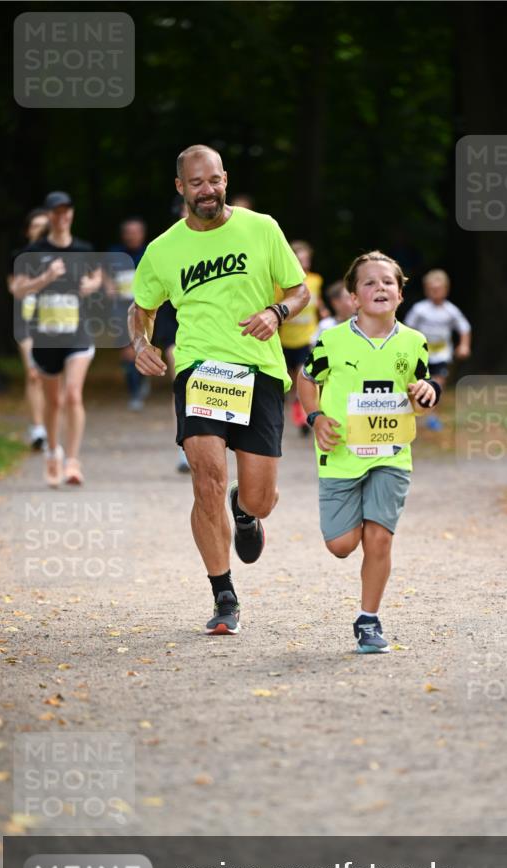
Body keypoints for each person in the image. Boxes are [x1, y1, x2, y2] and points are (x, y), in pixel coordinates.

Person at [129, 144, 309, 635]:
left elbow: (299, 290)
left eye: (214, 181)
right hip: (200, 370)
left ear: (224, 179)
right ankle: (223, 593)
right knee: (204, 477)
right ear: (180, 187)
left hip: (261, 372)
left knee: (261, 497)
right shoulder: (164, 249)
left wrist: (277, 313)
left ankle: (246, 515)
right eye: (196, 183)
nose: (206, 191)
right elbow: (141, 306)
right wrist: (139, 340)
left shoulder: (261, 227)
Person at [298, 251, 441, 653]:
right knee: (342, 545)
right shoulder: (332, 340)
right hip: (341, 454)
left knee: (378, 539)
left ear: (400, 294)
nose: (380, 287)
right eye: (369, 282)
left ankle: (369, 620)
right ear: (353, 297)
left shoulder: (414, 342)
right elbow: (306, 379)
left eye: (388, 282)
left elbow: (422, 388)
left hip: (391, 455)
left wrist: (428, 393)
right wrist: (315, 417)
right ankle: (355, 516)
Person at [10, 191, 101, 487]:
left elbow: (98, 279)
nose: (62, 217)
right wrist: (46, 278)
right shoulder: (33, 252)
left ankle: (72, 461)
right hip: (46, 336)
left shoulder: (85, 249)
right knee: (53, 402)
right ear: (49, 215)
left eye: (66, 211)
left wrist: (91, 285)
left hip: (78, 333)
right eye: (56, 212)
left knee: (73, 394)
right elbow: (19, 290)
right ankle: (53, 452)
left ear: (71, 214)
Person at [403, 269, 471, 431]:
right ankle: (413, 412)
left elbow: (464, 328)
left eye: (439, 289)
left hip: (441, 354)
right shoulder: (420, 309)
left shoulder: (450, 310)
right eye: (431, 289)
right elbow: (406, 329)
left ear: (446, 289)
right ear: (426, 289)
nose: (435, 292)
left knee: (436, 384)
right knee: (418, 385)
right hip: (421, 354)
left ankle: (432, 417)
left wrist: (464, 345)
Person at [151, 197, 191, 472]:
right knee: (182, 380)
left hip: (211, 324)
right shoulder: (165, 247)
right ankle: (185, 448)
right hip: (173, 322)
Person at [7, 208, 49, 449]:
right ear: (27, 230)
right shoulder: (18, 257)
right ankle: (37, 429)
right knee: (34, 375)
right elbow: (14, 289)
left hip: (54, 323)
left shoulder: (58, 255)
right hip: (27, 322)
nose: (41, 231)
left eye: (45, 226)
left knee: (51, 377)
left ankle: (50, 428)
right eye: (36, 226)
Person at [279, 240, 324, 433]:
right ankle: (295, 414)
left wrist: (323, 311)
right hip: (286, 338)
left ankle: (303, 417)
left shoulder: (316, 280)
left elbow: (317, 300)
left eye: (306, 259)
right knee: (289, 382)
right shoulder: (281, 283)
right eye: (300, 259)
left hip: (307, 337)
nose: (304, 263)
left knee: (302, 376)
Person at [106, 217, 149, 411]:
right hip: (120, 309)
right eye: (128, 232)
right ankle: (135, 391)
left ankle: (141, 380)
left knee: (140, 349)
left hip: (145, 309)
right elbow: (102, 273)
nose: (132, 236)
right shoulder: (114, 253)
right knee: (127, 352)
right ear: (124, 235)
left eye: (136, 232)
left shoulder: (151, 252)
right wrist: (107, 286)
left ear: (142, 233)